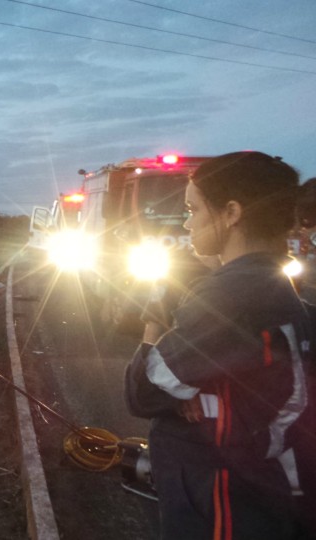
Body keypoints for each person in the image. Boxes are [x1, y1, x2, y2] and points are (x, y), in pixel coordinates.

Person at [124, 151, 314, 539]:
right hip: (273, 495)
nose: (187, 222)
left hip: (227, 507)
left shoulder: (232, 296)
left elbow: (141, 391)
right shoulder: (277, 287)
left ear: (231, 213)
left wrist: (154, 316)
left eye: (193, 209)